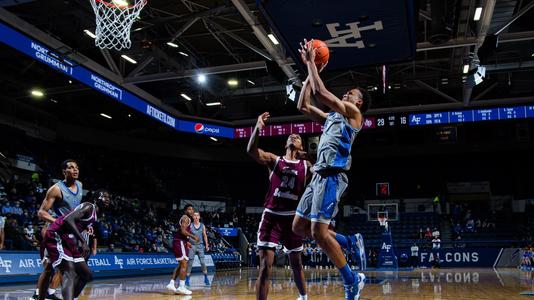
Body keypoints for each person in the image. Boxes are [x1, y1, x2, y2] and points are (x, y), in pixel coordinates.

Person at [292, 39, 371, 300]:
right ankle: (348, 242)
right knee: (299, 227)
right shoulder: (331, 118)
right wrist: (308, 73)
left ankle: (351, 281)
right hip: (317, 177)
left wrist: (314, 65)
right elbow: (302, 105)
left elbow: (323, 93)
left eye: (352, 94)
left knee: (317, 232)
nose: (347, 94)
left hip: (333, 178)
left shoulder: (354, 117)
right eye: (347, 93)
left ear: (359, 103)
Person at [247, 112, 310, 300]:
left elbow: (323, 179)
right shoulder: (275, 160)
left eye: (298, 137)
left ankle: (303, 297)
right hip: (271, 217)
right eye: (291, 136)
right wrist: (258, 126)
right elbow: (251, 150)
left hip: (293, 219)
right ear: (285, 144)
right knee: (265, 267)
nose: (294, 136)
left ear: (302, 147)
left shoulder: (307, 166)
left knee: (296, 264)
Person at [42, 189, 110, 300]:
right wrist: (83, 242)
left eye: (109, 198)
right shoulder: (89, 207)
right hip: (57, 234)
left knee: (87, 275)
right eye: (105, 196)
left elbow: (78, 228)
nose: (108, 199)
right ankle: (49, 294)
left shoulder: (96, 214)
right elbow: (68, 219)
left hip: (68, 239)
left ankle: (71, 297)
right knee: (69, 272)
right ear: (96, 198)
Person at [34, 159, 84, 300]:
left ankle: (51, 292)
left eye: (77, 167)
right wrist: (59, 222)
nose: (75, 170)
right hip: (55, 232)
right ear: (64, 171)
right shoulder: (56, 189)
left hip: (69, 233)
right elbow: (41, 212)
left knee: (65, 267)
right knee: (50, 267)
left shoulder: (80, 185)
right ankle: (37, 295)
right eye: (71, 168)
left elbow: (75, 211)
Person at [166, 204, 199, 295]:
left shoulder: (186, 219)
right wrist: (193, 236)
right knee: (184, 263)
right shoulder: (186, 218)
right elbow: (183, 231)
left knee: (181, 264)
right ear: (185, 211)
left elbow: (182, 232)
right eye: (189, 209)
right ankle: (181, 286)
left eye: (192, 209)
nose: (191, 211)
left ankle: (172, 283)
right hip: (179, 242)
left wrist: (187, 241)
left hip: (181, 241)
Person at [185, 212, 210, 286]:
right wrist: (187, 242)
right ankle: (187, 279)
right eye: (194, 215)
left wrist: (206, 245)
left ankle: (206, 278)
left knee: (202, 262)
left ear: (199, 217)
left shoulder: (202, 226)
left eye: (197, 215)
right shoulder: (190, 225)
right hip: (192, 245)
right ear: (193, 217)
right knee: (190, 263)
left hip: (200, 245)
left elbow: (205, 235)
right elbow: (186, 235)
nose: (196, 217)